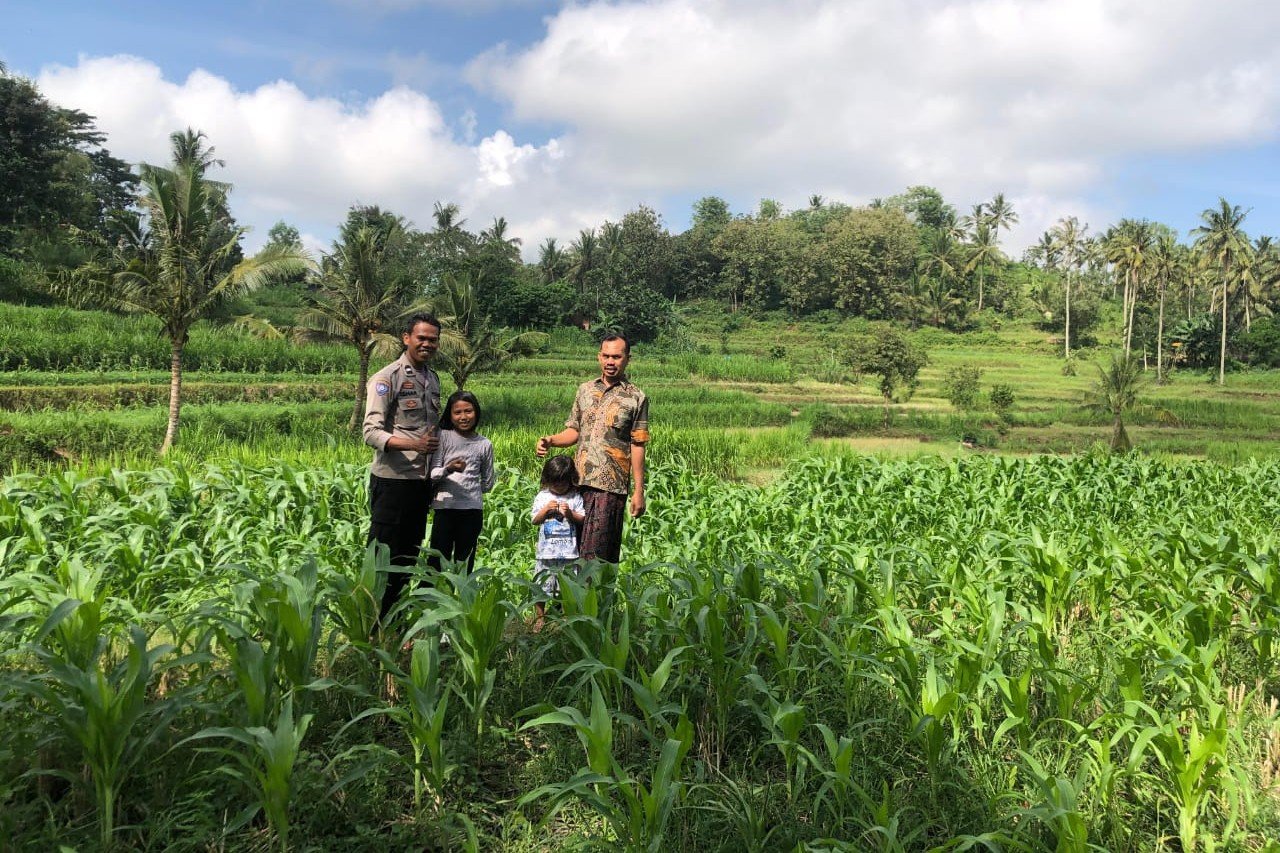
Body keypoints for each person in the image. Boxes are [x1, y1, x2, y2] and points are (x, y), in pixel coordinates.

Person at [536, 334, 648, 564]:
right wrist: (551, 440)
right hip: (576, 485)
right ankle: (563, 600)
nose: (610, 361)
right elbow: (574, 431)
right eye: (606, 356)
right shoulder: (585, 390)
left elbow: (638, 444)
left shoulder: (636, 397)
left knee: (598, 558)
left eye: (617, 356)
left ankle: (597, 600)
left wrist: (639, 491)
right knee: (567, 550)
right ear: (599, 357)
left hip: (610, 489)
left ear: (627, 359)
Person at [362, 312, 442, 627]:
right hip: (392, 482)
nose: (427, 344)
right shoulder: (387, 378)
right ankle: (371, 624)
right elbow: (371, 432)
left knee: (408, 556)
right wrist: (412, 446)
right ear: (406, 337)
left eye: (432, 339)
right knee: (383, 556)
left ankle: (392, 622)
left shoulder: (432, 379)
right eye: (421, 337)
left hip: (420, 485)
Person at [427, 390, 496, 573]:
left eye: (468, 411)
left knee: (465, 564)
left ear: (477, 412)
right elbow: (432, 473)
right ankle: (431, 599)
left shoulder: (484, 444)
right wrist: (449, 469)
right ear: (450, 415)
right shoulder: (443, 436)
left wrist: (470, 495)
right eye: (457, 412)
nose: (463, 417)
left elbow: (488, 482)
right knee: (436, 561)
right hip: (445, 508)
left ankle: (461, 600)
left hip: (472, 512)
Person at [530, 455, 585, 631]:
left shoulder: (575, 497)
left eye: (563, 483)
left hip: (569, 553)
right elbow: (535, 520)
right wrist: (546, 510)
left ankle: (565, 617)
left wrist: (569, 514)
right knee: (541, 584)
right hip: (545, 553)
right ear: (547, 480)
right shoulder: (542, 496)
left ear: (571, 480)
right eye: (555, 483)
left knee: (567, 586)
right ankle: (540, 617)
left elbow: (582, 518)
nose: (559, 487)